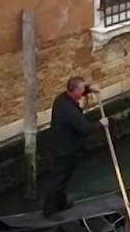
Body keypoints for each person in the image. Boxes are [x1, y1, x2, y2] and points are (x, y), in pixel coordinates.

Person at [42, 76, 109, 217]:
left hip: (60, 145)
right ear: (75, 90)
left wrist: (90, 89)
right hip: (66, 150)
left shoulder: (61, 99)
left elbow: (79, 91)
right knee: (59, 179)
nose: (84, 91)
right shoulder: (69, 111)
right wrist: (101, 123)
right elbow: (84, 128)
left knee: (62, 178)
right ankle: (49, 211)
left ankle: (60, 203)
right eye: (83, 89)